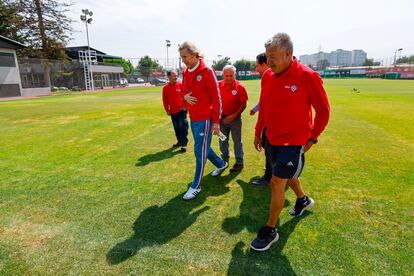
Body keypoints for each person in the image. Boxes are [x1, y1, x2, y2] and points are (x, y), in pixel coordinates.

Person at [251, 33, 330, 251]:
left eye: (274, 56)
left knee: (276, 181)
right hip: (272, 139)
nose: (270, 61)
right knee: (285, 176)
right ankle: (303, 200)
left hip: (294, 142)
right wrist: (259, 132)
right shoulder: (267, 76)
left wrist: (313, 137)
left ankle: (270, 230)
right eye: (268, 56)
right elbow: (264, 107)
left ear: (288, 54)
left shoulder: (307, 76)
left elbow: (323, 111)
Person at [179, 41, 228, 200]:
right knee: (203, 146)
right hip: (193, 118)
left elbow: (217, 98)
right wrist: (184, 96)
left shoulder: (207, 71)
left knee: (199, 151)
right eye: (181, 57)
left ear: (194, 54)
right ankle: (221, 164)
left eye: (185, 56)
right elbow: (184, 89)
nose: (183, 60)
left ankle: (196, 186)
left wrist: (216, 122)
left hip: (206, 119)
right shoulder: (186, 71)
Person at [218, 65, 248, 172]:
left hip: (235, 119)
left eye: (231, 75)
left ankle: (239, 162)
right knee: (222, 140)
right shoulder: (218, 85)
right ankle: (224, 161)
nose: (229, 78)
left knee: (237, 141)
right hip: (221, 120)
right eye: (227, 76)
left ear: (235, 75)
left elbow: (243, 104)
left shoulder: (240, 87)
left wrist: (233, 116)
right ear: (223, 75)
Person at [250, 53, 273, 186]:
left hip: (272, 124)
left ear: (265, 65)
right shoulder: (269, 77)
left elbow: (265, 104)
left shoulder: (269, 77)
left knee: (270, 149)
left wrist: (257, 132)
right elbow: (264, 101)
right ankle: (271, 171)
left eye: (257, 65)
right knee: (268, 147)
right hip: (270, 123)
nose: (256, 69)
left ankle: (269, 176)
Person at [162, 70, 188, 152]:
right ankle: (179, 141)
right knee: (176, 127)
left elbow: (187, 96)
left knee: (183, 127)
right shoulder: (165, 88)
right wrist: (167, 109)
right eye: (174, 75)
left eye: (176, 75)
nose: (176, 77)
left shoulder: (181, 85)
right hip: (173, 111)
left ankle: (184, 144)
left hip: (181, 110)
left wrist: (186, 107)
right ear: (169, 77)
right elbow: (164, 100)